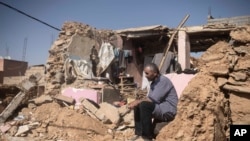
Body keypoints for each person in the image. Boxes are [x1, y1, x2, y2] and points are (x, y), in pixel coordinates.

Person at [127, 63, 178, 141]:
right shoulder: (154, 83)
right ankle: (139, 134)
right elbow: (149, 98)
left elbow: (152, 99)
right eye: (145, 73)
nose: (145, 75)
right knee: (138, 105)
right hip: (161, 107)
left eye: (147, 73)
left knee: (144, 105)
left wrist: (137, 101)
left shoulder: (163, 81)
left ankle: (147, 137)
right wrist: (137, 103)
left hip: (168, 109)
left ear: (155, 73)